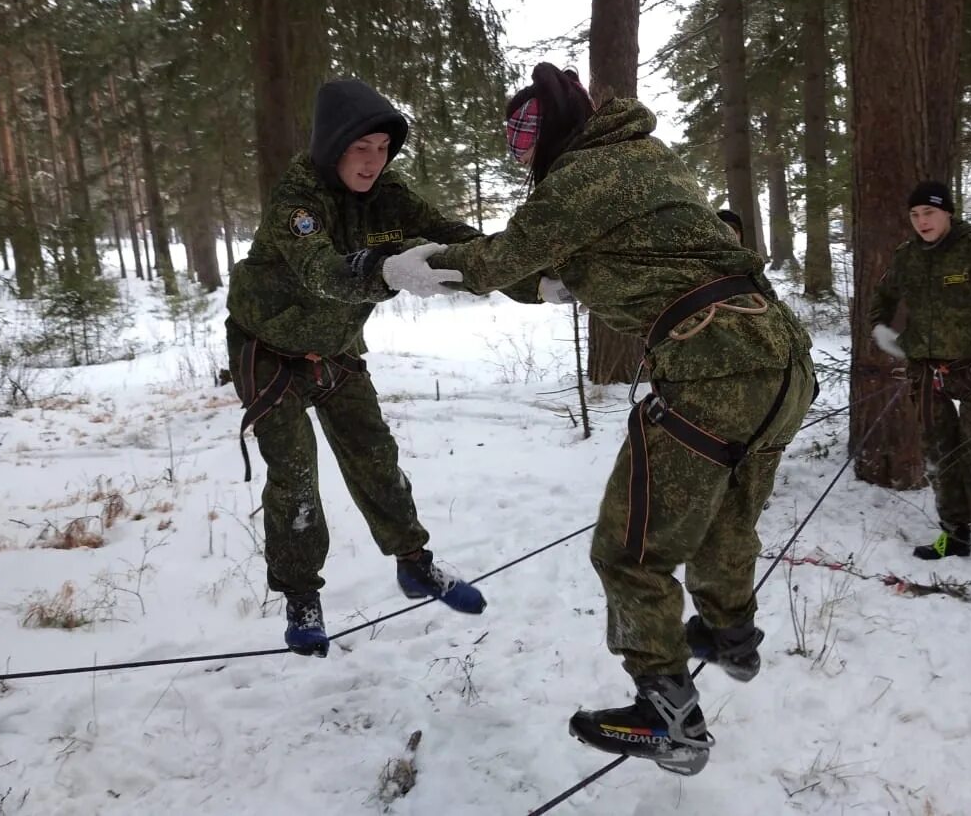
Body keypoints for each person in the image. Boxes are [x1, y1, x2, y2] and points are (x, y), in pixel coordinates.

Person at [420, 63, 817, 774]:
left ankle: (669, 716)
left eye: (523, 141)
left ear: (551, 133)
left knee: (629, 550)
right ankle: (730, 634)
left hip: (711, 367)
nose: (522, 158)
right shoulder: (646, 156)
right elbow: (627, 250)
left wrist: (419, 267)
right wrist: (555, 277)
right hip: (781, 361)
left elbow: (498, 257)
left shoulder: (580, 176)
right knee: (727, 516)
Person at [225, 78, 493, 659]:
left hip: (337, 346)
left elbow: (459, 240)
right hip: (268, 349)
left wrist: (530, 277)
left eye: (382, 148)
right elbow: (321, 270)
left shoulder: (391, 197)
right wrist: (387, 271)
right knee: (295, 474)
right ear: (332, 148)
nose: (374, 161)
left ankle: (414, 565)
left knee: (375, 453)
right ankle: (301, 596)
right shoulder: (297, 201)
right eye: (360, 148)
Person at [869, 180, 971, 585]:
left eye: (929, 212)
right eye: (914, 215)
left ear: (948, 212)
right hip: (926, 373)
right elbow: (883, 296)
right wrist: (880, 328)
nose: (921, 221)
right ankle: (954, 533)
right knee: (939, 455)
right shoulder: (907, 257)